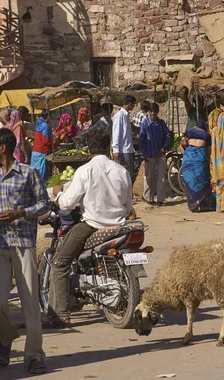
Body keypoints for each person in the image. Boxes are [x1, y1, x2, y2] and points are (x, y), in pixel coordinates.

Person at [0, 128, 49, 374]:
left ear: (4, 148)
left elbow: (44, 204)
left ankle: (34, 355)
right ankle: (6, 340)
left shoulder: (29, 173)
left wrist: (21, 213)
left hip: (23, 243)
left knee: (30, 301)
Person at [49, 133, 132, 326]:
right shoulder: (122, 170)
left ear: (87, 149)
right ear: (109, 147)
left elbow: (68, 203)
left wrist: (58, 194)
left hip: (92, 225)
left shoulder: (85, 170)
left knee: (59, 262)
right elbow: (128, 207)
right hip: (119, 226)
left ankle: (60, 313)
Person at [138, 103, 171, 206]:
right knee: (149, 177)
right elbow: (141, 140)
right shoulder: (145, 124)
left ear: (157, 112)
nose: (153, 113)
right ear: (149, 112)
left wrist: (163, 148)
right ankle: (148, 198)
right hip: (149, 154)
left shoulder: (161, 123)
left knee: (161, 177)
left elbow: (168, 136)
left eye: (154, 111)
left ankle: (160, 199)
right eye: (151, 111)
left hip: (160, 154)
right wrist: (143, 153)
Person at [180, 120, 216, 212]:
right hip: (200, 160)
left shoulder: (189, 132)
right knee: (201, 182)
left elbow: (181, 145)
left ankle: (193, 205)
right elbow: (208, 153)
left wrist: (186, 155)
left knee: (190, 182)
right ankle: (203, 205)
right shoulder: (207, 135)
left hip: (187, 159)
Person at [112, 95, 137, 179]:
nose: (134, 106)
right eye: (133, 104)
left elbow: (125, 133)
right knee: (123, 176)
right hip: (123, 151)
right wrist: (116, 150)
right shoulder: (120, 116)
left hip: (128, 149)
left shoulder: (126, 116)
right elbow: (116, 133)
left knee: (129, 175)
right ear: (130, 104)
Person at [30, 111, 52, 181]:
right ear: (47, 117)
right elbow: (46, 140)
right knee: (40, 174)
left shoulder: (38, 125)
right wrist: (52, 145)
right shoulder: (45, 126)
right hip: (41, 151)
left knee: (34, 173)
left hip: (35, 151)